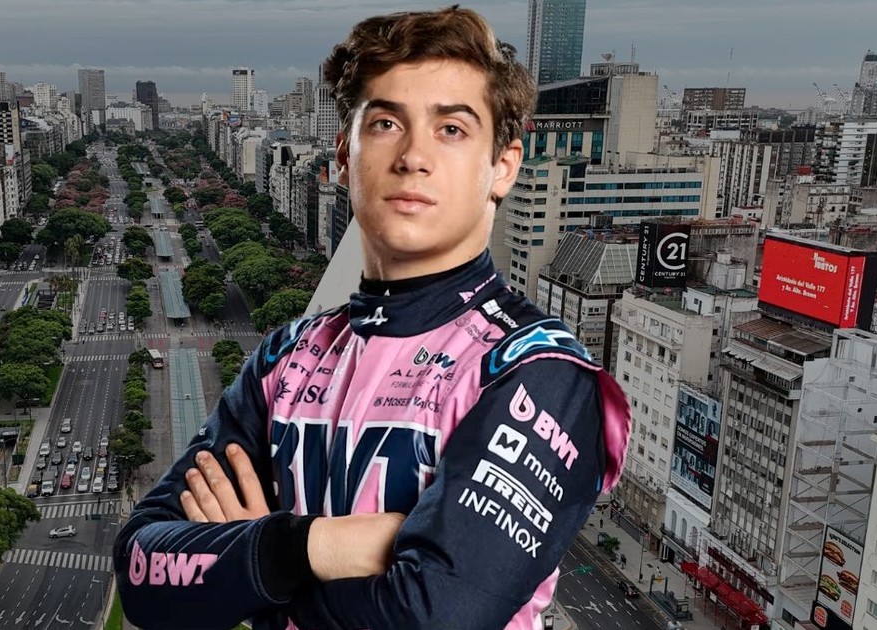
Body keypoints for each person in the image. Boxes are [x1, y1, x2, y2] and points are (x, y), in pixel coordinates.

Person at [113, 7, 631, 630]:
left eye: (452, 129)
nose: (413, 156)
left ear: (503, 167)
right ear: (342, 155)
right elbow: (141, 571)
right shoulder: (285, 358)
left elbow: (436, 616)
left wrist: (252, 566)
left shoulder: (537, 372)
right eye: (385, 123)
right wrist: (314, 546)